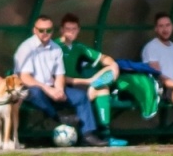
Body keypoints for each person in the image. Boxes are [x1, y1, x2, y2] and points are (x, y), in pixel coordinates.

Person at [14, 15, 106, 146]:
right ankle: (58, 117)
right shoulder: (27, 48)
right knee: (35, 92)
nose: (45, 33)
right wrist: (48, 89)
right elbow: (25, 77)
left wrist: (59, 90)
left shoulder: (56, 48)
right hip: (31, 89)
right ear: (35, 30)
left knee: (80, 97)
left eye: (48, 30)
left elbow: (59, 75)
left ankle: (88, 134)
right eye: (41, 30)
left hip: (51, 88)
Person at [56, 13, 120, 140]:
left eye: (74, 29)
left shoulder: (79, 47)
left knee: (106, 81)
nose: (71, 32)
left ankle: (105, 133)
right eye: (68, 29)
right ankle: (96, 131)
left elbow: (105, 59)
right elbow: (56, 77)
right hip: (62, 86)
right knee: (99, 88)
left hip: (79, 85)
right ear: (61, 30)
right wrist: (88, 81)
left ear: (78, 30)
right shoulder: (55, 46)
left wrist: (111, 65)